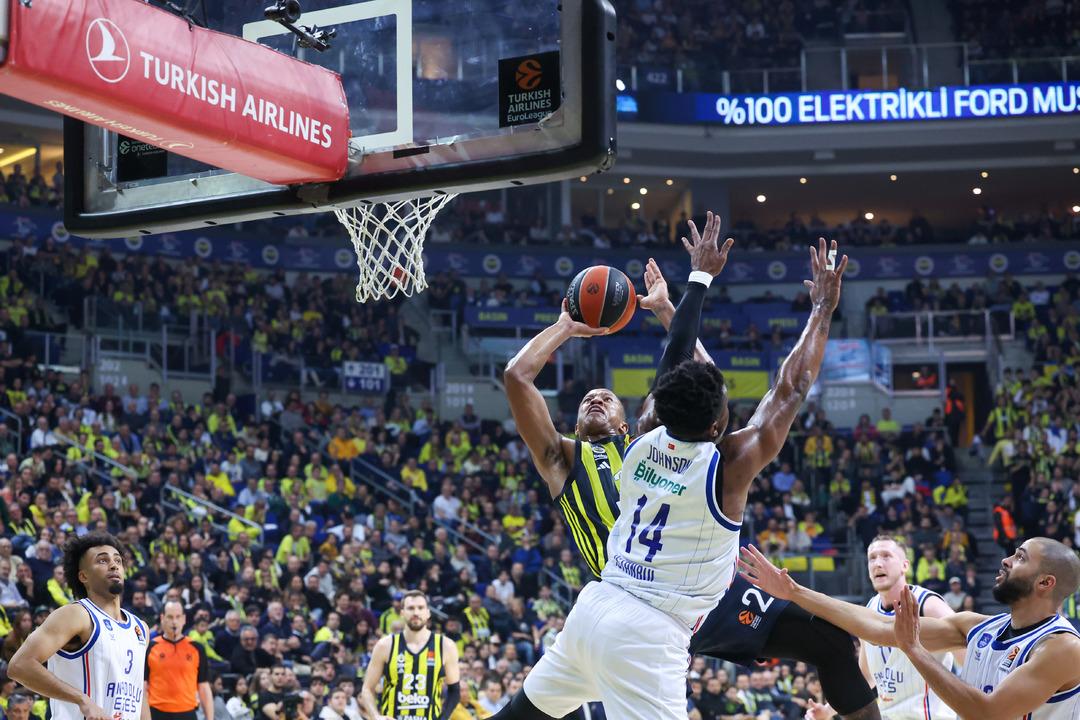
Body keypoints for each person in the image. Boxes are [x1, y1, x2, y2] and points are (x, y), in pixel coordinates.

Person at [500, 222, 853, 719]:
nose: (598, 399)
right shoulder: (725, 463)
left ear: (644, 415)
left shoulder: (641, 447)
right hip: (653, 626)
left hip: (599, 606)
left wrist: (689, 290)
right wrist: (821, 308)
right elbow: (788, 388)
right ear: (718, 423)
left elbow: (676, 362)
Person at [740, 537, 1080, 720]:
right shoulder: (978, 627)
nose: (1006, 560)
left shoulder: (1062, 648)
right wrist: (794, 592)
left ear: (1045, 582)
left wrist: (914, 649)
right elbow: (874, 627)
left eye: (1020, 558)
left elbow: (986, 713)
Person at [805, 536, 957, 720]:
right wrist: (829, 710)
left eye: (886, 556)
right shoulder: (869, 609)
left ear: (905, 566)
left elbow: (968, 647)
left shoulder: (928, 604)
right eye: (872, 558)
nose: (878, 563)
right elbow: (866, 677)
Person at [7, 531, 150, 720]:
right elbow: (19, 666)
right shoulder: (76, 614)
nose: (114, 565)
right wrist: (81, 699)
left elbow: (137, 692)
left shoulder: (140, 629)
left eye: (118, 560)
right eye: (102, 560)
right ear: (83, 576)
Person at [360, 590, 461, 720]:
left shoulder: (445, 646)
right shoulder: (385, 646)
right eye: (411, 608)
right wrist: (375, 716)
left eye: (420, 608)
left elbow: (454, 691)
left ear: (428, 612)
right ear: (402, 612)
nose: (416, 612)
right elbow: (367, 689)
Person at [144, 600, 214, 720]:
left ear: (184, 619)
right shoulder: (150, 647)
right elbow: (143, 687)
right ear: (162, 618)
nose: (174, 622)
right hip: (157, 713)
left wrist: (210, 718)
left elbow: (203, 687)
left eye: (178, 617)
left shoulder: (196, 648)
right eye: (170, 617)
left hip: (188, 713)